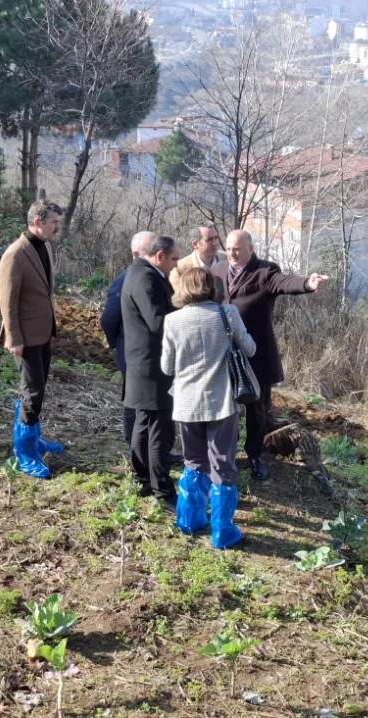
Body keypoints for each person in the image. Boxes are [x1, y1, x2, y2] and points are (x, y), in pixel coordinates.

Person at [212, 229, 329, 481]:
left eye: (238, 248)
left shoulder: (264, 271)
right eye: (229, 248)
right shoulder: (218, 270)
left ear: (250, 249)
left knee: (257, 409)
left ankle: (255, 455)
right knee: (225, 407)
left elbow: (284, 283)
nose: (232, 253)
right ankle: (226, 454)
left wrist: (308, 283)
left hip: (256, 354)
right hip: (223, 354)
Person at [162, 268, 255, 549]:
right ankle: (222, 533)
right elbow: (249, 349)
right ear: (212, 288)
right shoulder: (227, 314)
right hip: (221, 403)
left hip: (187, 404)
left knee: (193, 462)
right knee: (223, 466)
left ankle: (189, 521)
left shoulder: (172, 320)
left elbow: (166, 367)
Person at [0, 200, 66, 479]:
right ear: (37, 222)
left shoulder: (44, 247)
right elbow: (7, 301)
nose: (57, 227)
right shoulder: (15, 254)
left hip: (43, 332)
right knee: (32, 392)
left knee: (37, 388)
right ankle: (25, 453)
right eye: (53, 222)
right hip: (24, 338)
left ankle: (33, 438)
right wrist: (13, 338)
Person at [121, 235, 181, 506]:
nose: (176, 265)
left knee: (144, 422)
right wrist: (186, 319)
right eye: (173, 259)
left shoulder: (138, 273)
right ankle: (162, 490)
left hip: (142, 362)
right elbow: (158, 321)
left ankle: (141, 477)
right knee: (159, 426)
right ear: (159, 256)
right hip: (152, 364)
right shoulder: (146, 278)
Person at [101, 231, 156, 444]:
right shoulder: (124, 280)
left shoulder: (157, 276)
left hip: (148, 352)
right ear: (136, 253)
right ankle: (135, 451)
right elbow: (109, 319)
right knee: (134, 403)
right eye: (150, 249)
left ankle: (153, 450)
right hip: (131, 351)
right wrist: (118, 344)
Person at [169, 222, 226, 300]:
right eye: (209, 240)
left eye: (216, 238)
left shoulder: (228, 260)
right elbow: (179, 300)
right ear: (195, 244)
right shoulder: (180, 269)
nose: (215, 243)